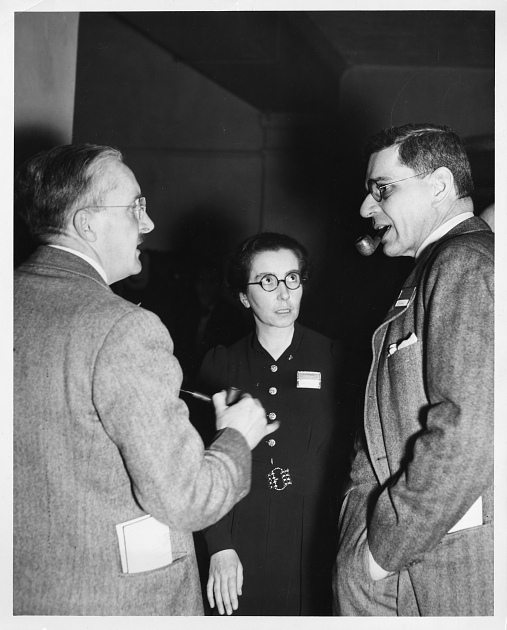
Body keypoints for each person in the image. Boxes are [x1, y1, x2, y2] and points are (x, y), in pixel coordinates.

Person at [13, 144, 278, 616]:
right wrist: (238, 436)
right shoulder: (123, 328)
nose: (149, 224)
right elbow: (187, 498)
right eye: (135, 206)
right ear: (87, 224)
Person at [334, 123, 494, 616]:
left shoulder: (464, 264)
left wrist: (381, 552)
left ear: (440, 186)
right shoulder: (437, 267)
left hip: (438, 566)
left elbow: (470, 430)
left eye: (382, 189)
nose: (367, 207)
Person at [196, 232, 350, 616]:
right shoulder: (220, 364)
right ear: (243, 297)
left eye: (292, 278)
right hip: (239, 541)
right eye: (267, 281)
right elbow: (198, 465)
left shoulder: (336, 358)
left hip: (317, 544)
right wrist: (219, 546)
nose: (284, 293)